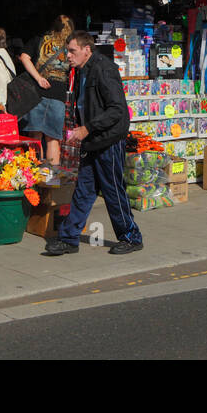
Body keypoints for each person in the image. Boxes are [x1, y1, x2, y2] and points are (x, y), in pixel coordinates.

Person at [43, 32, 143, 257]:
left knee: (113, 190)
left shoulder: (103, 69)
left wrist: (86, 129)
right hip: (92, 140)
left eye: (72, 51)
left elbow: (117, 109)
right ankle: (69, 239)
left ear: (87, 49)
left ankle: (131, 236)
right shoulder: (81, 70)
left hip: (108, 139)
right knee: (84, 190)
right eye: (67, 51)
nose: (67, 55)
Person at [11, 16, 73, 166]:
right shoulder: (71, 45)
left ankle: (33, 173)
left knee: (34, 136)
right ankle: (52, 177)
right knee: (52, 139)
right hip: (58, 94)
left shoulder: (39, 39)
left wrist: (38, 78)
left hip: (37, 94)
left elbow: (24, 57)